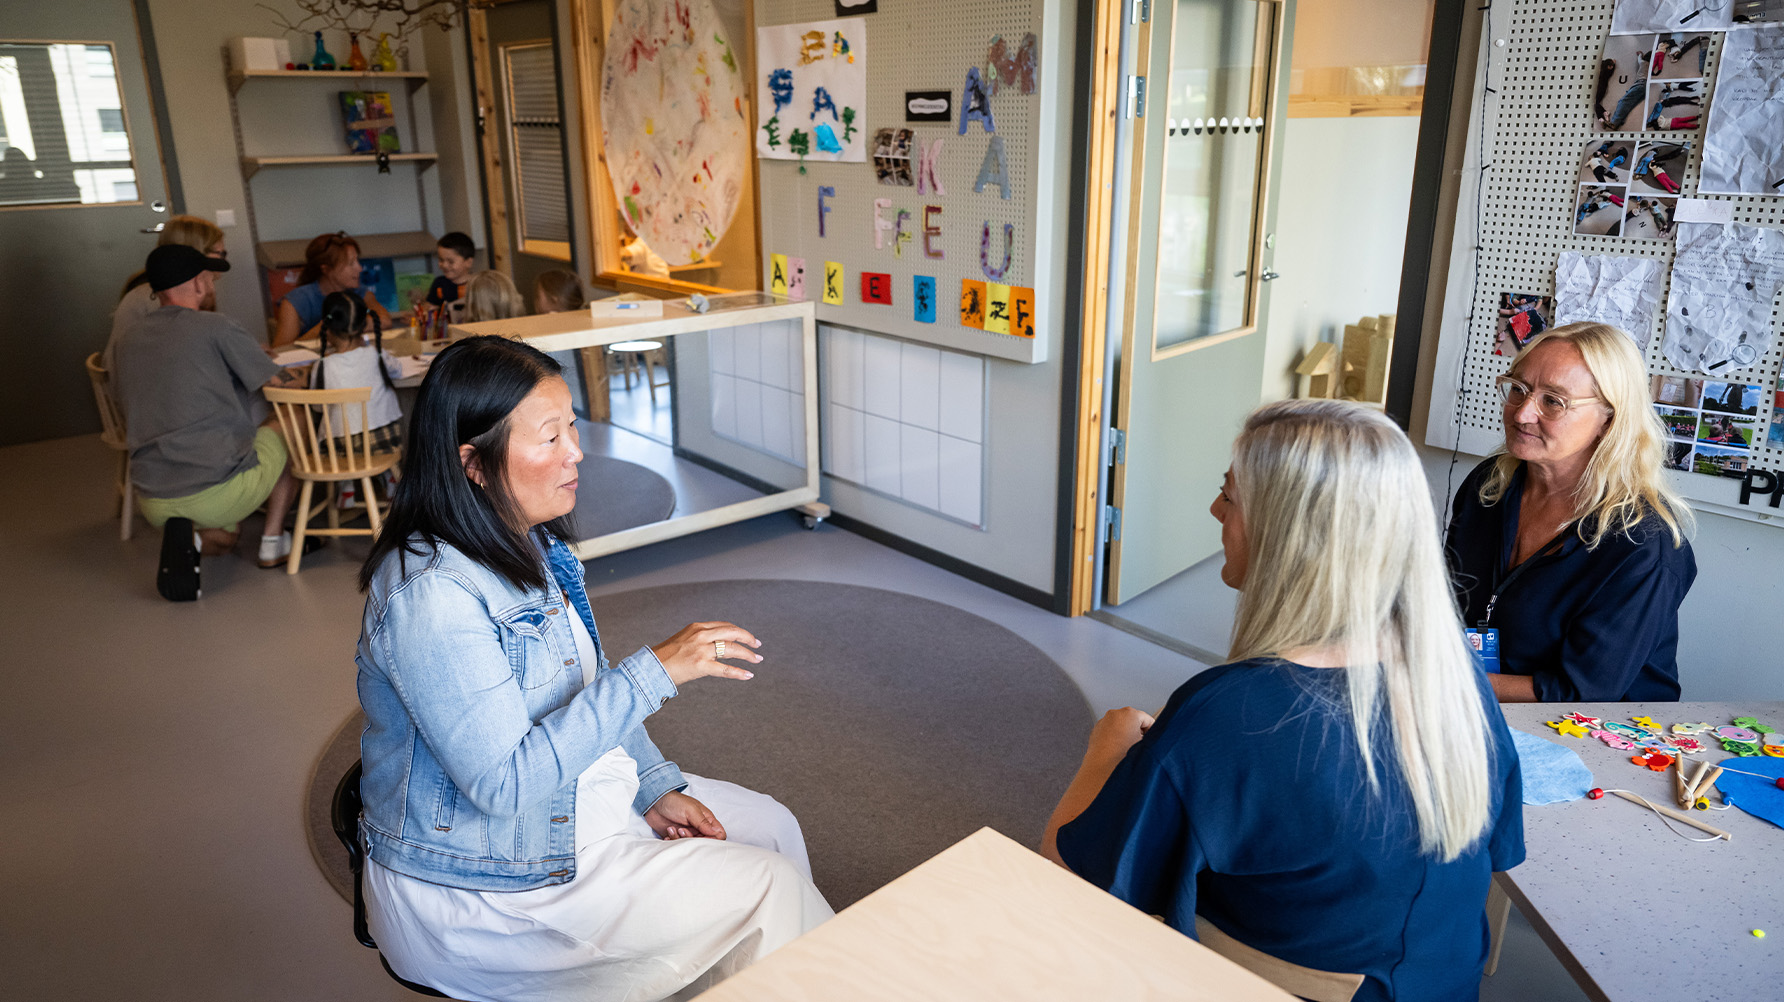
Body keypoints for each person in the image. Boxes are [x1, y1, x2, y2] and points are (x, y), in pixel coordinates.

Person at [355, 336, 832, 1000]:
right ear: (473, 463)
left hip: (569, 807)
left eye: (571, 427)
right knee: (767, 890)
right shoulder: (432, 596)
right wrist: (656, 672)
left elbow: (585, 686)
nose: (576, 452)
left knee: (772, 827)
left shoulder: (529, 541)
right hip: (484, 887)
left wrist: (654, 787)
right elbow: (501, 785)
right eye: (550, 437)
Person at [1044, 399, 1523, 1002]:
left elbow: (1069, 883)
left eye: (1232, 497)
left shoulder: (1227, 715)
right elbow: (1501, 850)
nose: (1215, 510)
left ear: (1289, 533)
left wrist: (1104, 751)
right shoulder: (1459, 688)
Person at [1447, 323, 1696, 702]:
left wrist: (1440, 680)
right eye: (1519, 389)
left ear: (1609, 420)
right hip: (1479, 707)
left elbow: (1582, 692)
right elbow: (1449, 600)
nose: (1522, 414)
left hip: (1598, 737)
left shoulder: (1643, 544)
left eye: (1553, 401)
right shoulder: (1490, 484)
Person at [112, 245, 308, 598]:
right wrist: (307, 373)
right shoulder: (217, 327)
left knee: (227, 539)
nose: (213, 284)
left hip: (153, 496)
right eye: (209, 277)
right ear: (198, 284)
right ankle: (273, 542)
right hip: (215, 490)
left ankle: (193, 541)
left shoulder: (127, 339)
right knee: (291, 417)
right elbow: (279, 383)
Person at [105, 215, 227, 373]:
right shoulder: (164, 298)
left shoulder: (157, 288)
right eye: (220, 254)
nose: (224, 260)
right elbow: (189, 358)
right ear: (196, 252)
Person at [311, 290, 403, 455]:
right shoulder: (375, 354)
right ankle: (388, 480)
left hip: (339, 446)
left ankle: (347, 482)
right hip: (384, 438)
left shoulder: (323, 365)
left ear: (327, 328)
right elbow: (397, 369)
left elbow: (318, 406)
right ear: (364, 326)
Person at [273, 231, 395, 347]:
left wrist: (346, 323)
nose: (359, 268)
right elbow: (281, 352)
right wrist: (322, 330)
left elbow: (385, 320)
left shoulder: (360, 293)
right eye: (351, 263)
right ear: (326, 269)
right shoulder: (295, 302)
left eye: (357, 261)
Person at [424, 230, 475, 322]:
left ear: (468, 262)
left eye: (450, 262)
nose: (444, 265)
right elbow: (429, 306)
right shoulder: (439, 283)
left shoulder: (477, 284)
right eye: (441, 260)